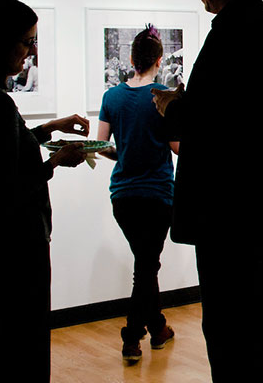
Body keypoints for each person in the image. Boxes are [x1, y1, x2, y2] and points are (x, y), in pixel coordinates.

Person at [152, 0, 263, 382]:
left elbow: (206, 126)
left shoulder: (231, 35)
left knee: (229, 330)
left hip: (230, 217)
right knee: (259, 323)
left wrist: (171, 106)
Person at [0, 0, 89, 382]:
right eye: (27, 41)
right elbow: (9, 185)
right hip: (14, 246)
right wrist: (56, 162)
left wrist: (50, 128)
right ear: (2, 41)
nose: (30, 51)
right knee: (20, 344)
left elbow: (3, 150)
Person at [96, 24, 180, 363]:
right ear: (159, 60)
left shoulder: (111, 97)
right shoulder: (163, 96)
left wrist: (126, 151)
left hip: (123, 196)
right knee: (146, 266)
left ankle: (158, 327)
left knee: (146, 264)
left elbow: (102, 145)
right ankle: (132, 336)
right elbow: (177, 147)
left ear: (131, 59)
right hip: (158, 194)